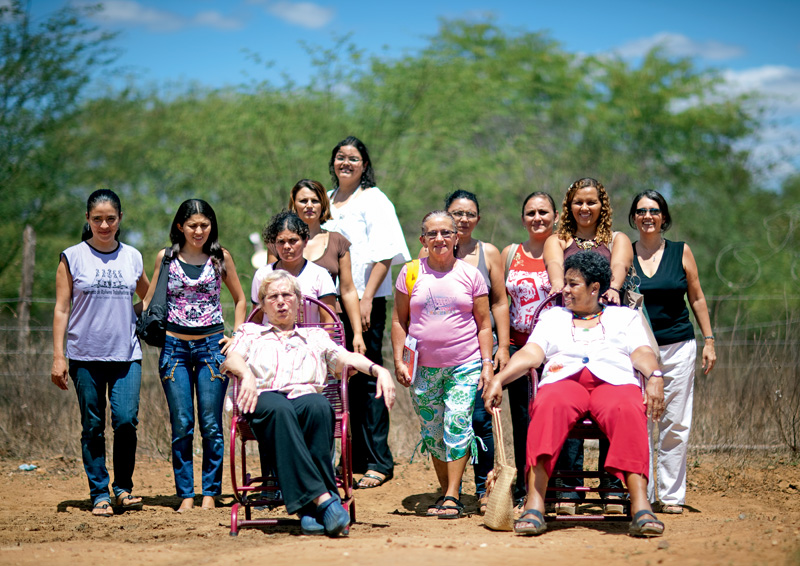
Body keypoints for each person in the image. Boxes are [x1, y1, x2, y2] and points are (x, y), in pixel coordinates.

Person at [484, 251, 666, 537]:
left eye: (573, 284)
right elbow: (532, 353)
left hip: (613, 382)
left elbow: (642, 351)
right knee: (547, 405)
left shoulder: (624, 318)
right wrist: (499, 379)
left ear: (595, 288)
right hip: (563, 380)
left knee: (628, 408)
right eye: (565, 283)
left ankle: (641, 505)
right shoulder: (553, 317)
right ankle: (535, 503)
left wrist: (654, 375)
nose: (564, 289)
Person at [222, 270, 396, 537]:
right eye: (273, 296)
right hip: (263, 399)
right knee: (279, 409)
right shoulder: (251, 332)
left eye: (287, 295)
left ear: (298, 301)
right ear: (263, 304)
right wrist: (245, 373)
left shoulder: (315, 336)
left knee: (318, 405)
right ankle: (325, 500)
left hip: (303, 400)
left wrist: (379, 371)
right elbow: (232, 359)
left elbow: (346, 357)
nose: (281, 301)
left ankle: (309, 508)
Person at [143, 199, 247, 512]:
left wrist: (238, 338)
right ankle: (186, 493)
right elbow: (148, 300)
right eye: (192, 225)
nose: (199, 231)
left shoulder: (220, 257)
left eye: (204, 225)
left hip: (212, 348)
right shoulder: (166, 257)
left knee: (211, 424)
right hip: (174, 349)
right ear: (180, 226)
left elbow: (240, 300)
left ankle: (210, 493)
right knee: (183, 423)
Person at [51, 189, 150, 517]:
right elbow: (62, 309)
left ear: (120, 219)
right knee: (92, 425)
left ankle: (123, 488)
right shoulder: (72, 257)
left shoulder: (132, 257)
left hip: (126, 354)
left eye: (110, 219)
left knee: (125, 421)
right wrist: (58, 356)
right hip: (84, 355)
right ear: (88, 220)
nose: (104, 225)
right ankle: (99, 493)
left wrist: (133, 315)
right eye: (97, 219)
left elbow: (149, 297)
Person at [392, 211, 493, 519]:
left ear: (456, 237)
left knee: (457, 423)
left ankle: (451, 495)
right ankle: (447, 489)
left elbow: (484, 324)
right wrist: (399, 360)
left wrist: (487, 364)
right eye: (432, 234)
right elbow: (398, 320)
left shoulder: (471, 275)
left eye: (446, 233)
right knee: (433, 431)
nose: (439, 239)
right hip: (422, 367)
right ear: (423, 239)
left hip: (464, 363)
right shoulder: (410, 273)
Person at [322, 136, 411, 489]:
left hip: (365, 300)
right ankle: (350, 457)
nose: (346, 163)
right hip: (330, 302)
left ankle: (378, 461)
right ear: (333, 163)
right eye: (340, 157)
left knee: (369, 374)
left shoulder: (375, 200)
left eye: (354, 158)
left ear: (364, 164)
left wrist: (366, 298)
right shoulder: (326, 201)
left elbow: (385, 253)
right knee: (339, 378)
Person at [543, 177, 633, 513]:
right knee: (567, 397)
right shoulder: (558, 239)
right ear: (569, 206)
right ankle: (569, 489)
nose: (585, 208)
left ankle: (613, 487)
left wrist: (611, 289)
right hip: (569, 329)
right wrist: (562, 291)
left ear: (602, 206)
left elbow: (619, 268)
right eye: (578, 202)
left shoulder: (617, 239)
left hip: (608, 329)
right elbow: (556, 269)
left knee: (614, 395)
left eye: (591, 202)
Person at [419, 189, 510, 514]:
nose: (463, 219)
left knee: (480, 420)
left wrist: (502, 346)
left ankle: (486, 487)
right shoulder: (429, 255)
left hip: (479, 349)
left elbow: (499, 302)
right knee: (447, 421)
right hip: (436, 358)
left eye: (470, 213)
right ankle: (452, 491)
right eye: (457, 213)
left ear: (477, 219)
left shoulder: (487, 254)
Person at [629, 190, 717, 514]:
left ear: (663, 217)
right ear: (633, 217)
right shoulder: (625, 253)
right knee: (638, 420)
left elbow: (696, 297)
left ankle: (670, 496)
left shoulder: (681, 251)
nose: (647, 216)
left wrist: (709, 340)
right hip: (638, 352)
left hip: (679, 345)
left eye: (654, 210)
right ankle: (642, 494)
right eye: (641, 211)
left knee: (674, 422)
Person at [500, 191, 559, 506]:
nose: (538, 218)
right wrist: (503, 348)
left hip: (556, 354)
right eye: (531, 213)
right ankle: (525, 489)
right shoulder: (511, 253)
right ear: (523, 218)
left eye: (544, 212)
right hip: (518, 350)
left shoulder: (563, 250)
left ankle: (558, 488)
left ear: (556, 216)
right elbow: (500, 303)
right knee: (522, 421)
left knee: (557, 419)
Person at [283, 179, 365, 351]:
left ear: (323, 204)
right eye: (303, 201)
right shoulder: (281, 242)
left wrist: (357, 333)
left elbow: (348, 290)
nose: (309, 205)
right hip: (285, 325)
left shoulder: (338, 241)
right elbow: (268, 286)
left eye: (315, 200)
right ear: (294, 204)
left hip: (327, 326)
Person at [252, 210, 337, 325]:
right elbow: (256, 318)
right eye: (281, 242)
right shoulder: (262, 275)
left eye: (293, 241)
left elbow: (328, 322)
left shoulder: (320, 275)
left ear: (305, 241)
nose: (287, 246)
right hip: (270, 341)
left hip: (310, 342)